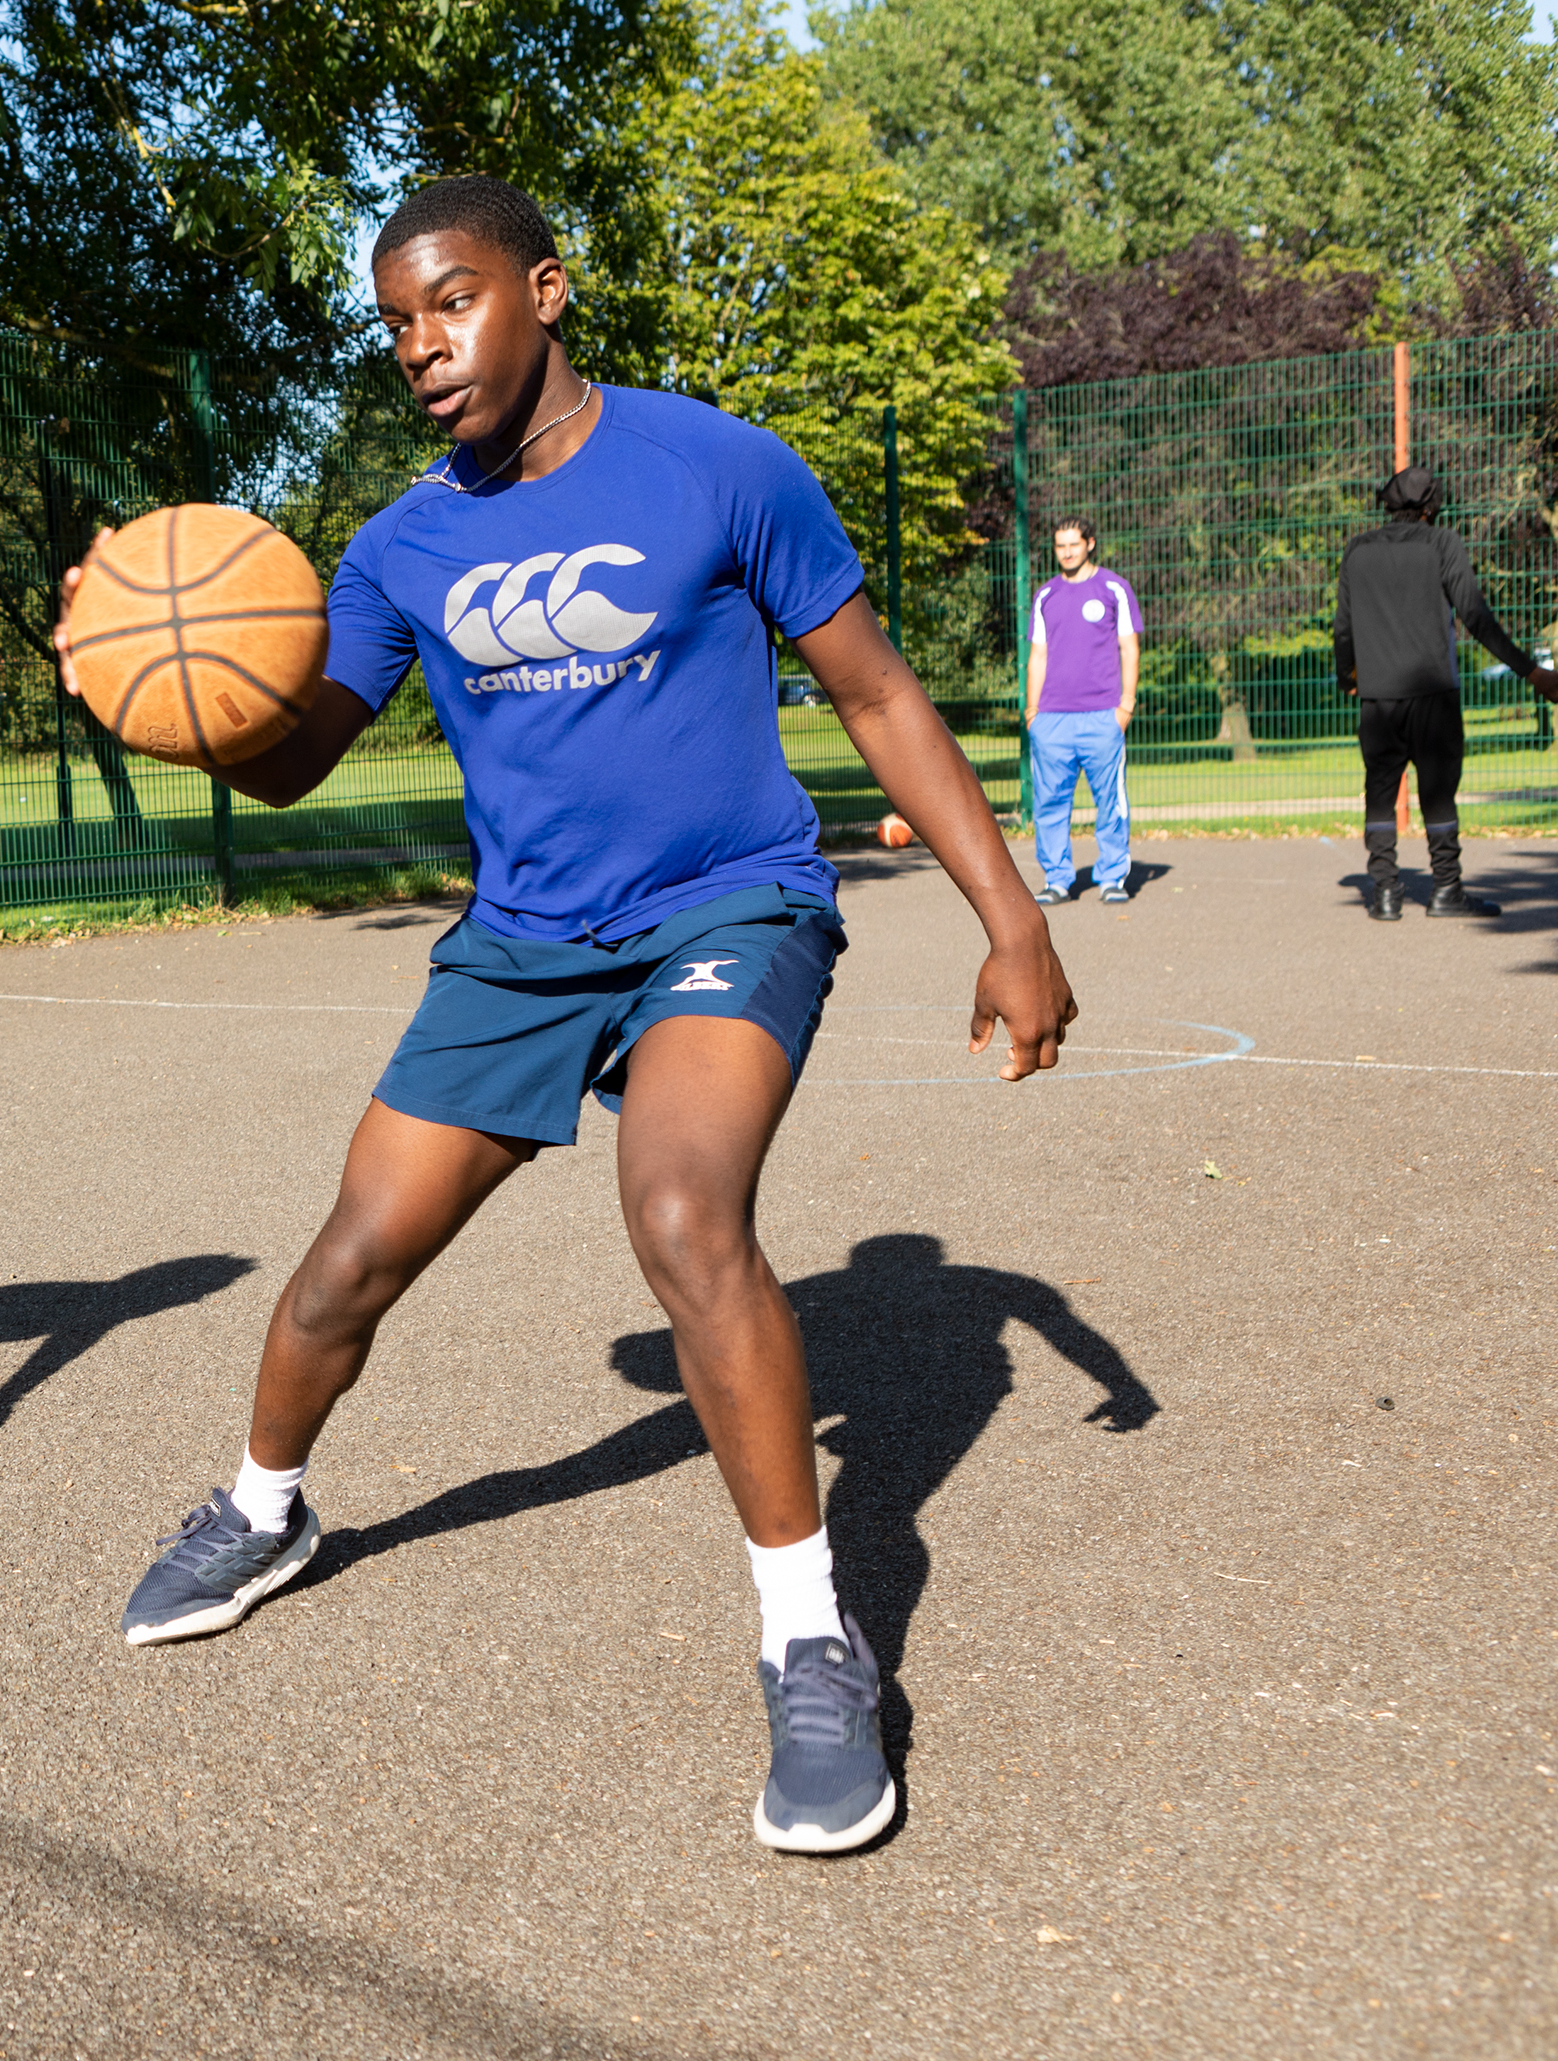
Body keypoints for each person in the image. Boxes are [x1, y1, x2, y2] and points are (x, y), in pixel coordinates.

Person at [54, 177, 1076, 1854]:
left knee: (678, 1213)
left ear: (540, 288)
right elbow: (297, 744)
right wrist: (177, 703)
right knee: (342, 1264)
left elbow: (873, 689)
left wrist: (1009, 918)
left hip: (724, 902)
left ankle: (806, 1637)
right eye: (393, 324)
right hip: (522, 944)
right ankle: (261, 1508)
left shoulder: (715, 466)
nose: (419, 345)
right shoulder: (396, 546)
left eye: (447, 301)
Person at [1335, 465, 1558, 919]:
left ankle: (1383, 892)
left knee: (1379, 789)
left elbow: (1343, 628)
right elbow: (1475, 617)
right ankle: (1445, 891)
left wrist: (1348, 677)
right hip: (1433, 693)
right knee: (1438, 792)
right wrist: (1531, 672)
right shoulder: (1442, 544)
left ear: (1388, 503)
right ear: (1431, 506)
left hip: (1377, 698)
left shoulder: (1357, 551)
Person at [1023, 520, 1139, 905]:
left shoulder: (1114, 589)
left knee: (1111, 801)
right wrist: (1033, 712)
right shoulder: (1045, 596)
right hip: (1051, 720)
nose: (1068, 552)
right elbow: (1037, 655)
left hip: (1103, 716)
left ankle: (1112, 878)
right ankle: (1057, 879)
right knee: (1050, 804)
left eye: (1074, 544)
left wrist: (1126, 704)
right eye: (1060, 546)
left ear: (1090, 544)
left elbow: (1129, 647)